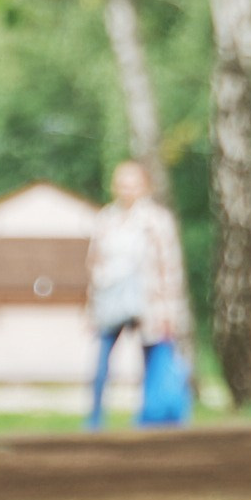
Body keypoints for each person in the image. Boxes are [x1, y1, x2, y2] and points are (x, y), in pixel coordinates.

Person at [85, 157, 192, 430]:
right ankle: (95, 419)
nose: (126, 189)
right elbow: (94, 263)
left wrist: (170, 311)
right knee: (102, 361)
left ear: (145, 186)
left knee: (153, 357)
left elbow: (170, 267)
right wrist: (91, 306)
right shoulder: (106, 219)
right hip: (111, 303)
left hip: (149, 303)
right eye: (121, 183)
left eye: (132, 184)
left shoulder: (156, 220)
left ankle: (151, 415)